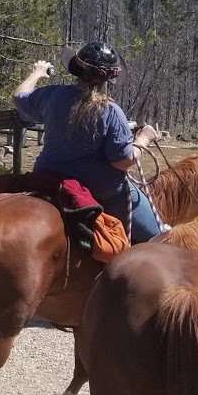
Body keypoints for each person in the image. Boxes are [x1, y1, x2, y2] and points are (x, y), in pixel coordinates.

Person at [12, 41, 163, 243]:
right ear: (110, 77)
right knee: (158, 237)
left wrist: (37, 73)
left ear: (77, 67)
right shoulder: (110, 110)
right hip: (100, 189)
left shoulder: (53, 95)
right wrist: (143, 139)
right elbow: (123, 161)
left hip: (48, 178)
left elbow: (18, 97)